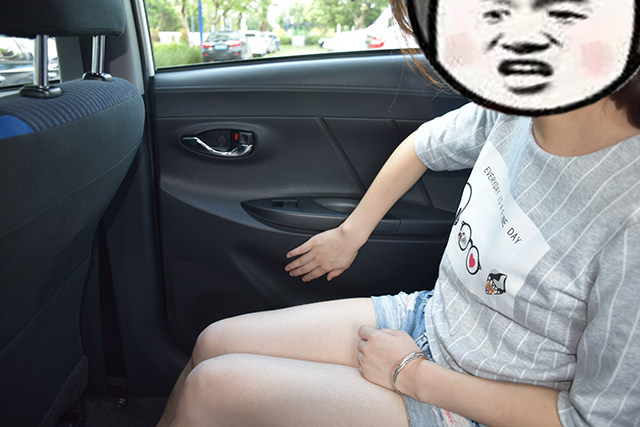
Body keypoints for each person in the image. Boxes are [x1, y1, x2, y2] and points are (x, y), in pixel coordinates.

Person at [157, 1, 640, 425]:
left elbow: (592, 420)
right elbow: (422, 146)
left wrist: (413, 374)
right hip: (432, 320)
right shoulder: (514, 108)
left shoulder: (629, 214)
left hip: (484, 404)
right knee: (213, 342)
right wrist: (351, 233)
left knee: (212, 389)